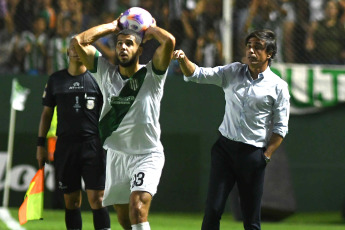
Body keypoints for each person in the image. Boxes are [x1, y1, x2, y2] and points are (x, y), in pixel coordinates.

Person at [173, 29, 290, 230]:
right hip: (224, 150)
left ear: (269, 54)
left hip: (253, 154)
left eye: (258, 47)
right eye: (249, 46)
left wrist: (266, 156)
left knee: (251, 218)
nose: (251, 51)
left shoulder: (278, 86)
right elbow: (197, 74)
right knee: (213, 210)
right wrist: (183, 59)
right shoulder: (233, 71)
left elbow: (281, 128)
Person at [72, 14, 175, 230]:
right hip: (117, 155)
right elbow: (78, 42)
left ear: (139, 50)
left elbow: (169, 42)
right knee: (125, 220)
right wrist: (112, 26)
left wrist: (150, 29)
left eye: (129, 43)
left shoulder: (152, 75)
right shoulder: (105, 72)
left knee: (137, 209)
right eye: (119, 44)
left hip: (146, 155)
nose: (123, 48)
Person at [36, 40, 110, 230]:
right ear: (67, 52)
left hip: (93, 145)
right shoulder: (56, 80)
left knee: (98, 199)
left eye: (82, 48)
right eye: (73, 47)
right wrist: (40, 145)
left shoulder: (97, 79)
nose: (77, 51)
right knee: (71, 201)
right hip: (66, 146)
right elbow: (46, 114)